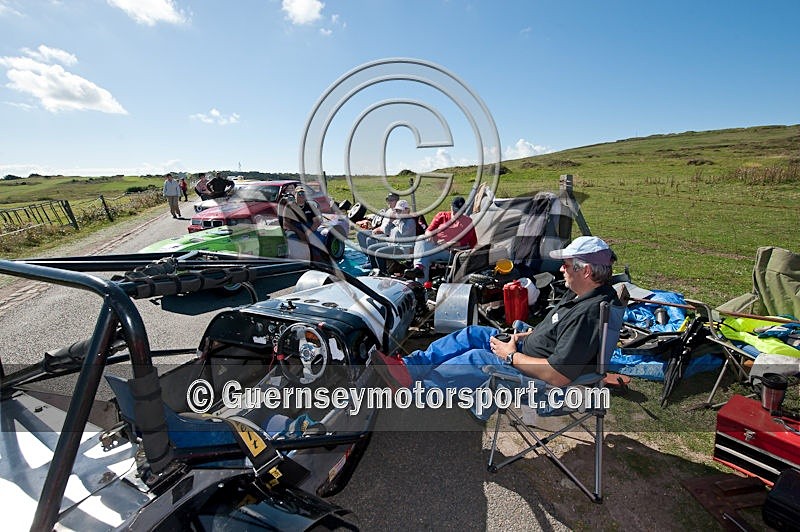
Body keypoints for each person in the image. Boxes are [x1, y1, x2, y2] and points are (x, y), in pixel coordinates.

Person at [371, 236, 622, 417]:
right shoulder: (581, 292)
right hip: (525, 350)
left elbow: (558, 375)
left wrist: (511, 355)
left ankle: (416, 391)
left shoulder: (589, 314)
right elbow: (558, 331)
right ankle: (410, 368)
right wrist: (526, 335)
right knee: (473, 333)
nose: (561, 269)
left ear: (586, 270)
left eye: (566, 265)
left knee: (476, 359)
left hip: (535, 374)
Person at [406, 196, 477, 282]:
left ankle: (419, 271)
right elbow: (428, 230)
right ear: (451, 207)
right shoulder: (442, 216)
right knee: (422, 241)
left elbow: (463, 242)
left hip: (451, 251)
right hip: (435, 247)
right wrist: (430, 236)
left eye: (459, 211)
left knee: (424, 254)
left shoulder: (467, 222)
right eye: (454, 210)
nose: (456, 213)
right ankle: (420, 278)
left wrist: (447, 243)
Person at [366, 200, 416, 273]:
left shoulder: (410, 221)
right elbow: (386, 231)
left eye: (399, 210)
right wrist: (390, 221)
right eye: (396, 210)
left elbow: (404, 232)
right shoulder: (397, 219)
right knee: (371, 249)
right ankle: (375, 270)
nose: (397, 212)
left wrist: (397, 220)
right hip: (392, 244)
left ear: (406, 210)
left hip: (403, 248)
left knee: (379, 253)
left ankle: (383, 273)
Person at [281, 187, 324, 261]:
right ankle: (298, 260)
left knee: (318, 238)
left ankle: (317, 259)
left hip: (308, 228)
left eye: (303, 193)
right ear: (295, 195)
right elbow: (286, 224)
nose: (301, 195)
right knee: (293, 240)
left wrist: (308, 233)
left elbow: (316, 222)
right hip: (294, 229)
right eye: (299, 193)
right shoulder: (289, 206)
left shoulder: (310, 206)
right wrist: (300, 233)